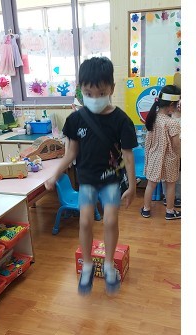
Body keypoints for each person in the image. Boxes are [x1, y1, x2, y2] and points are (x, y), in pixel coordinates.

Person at [45, 56, 137, 296]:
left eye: (101, 93)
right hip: (86, 180)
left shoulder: (121, 120)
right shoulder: (75, 120)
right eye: (88, 93)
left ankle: (108, 264)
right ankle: (87, 265)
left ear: (112, 89)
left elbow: (128, 156)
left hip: (111, 180)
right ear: (81, 90)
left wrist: (132, 187)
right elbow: (70, 153)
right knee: (85, 221)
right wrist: (55, 175)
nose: (95, 98)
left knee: (110, 221)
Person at [140, 85, 181, 220]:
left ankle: (146, 209)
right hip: (170, 159)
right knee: (170, 184)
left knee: (151, 184)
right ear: (171, 105)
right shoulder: (172, 123)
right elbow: (176, 144)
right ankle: (170, 211)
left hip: (154, 156)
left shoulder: (153, 118)